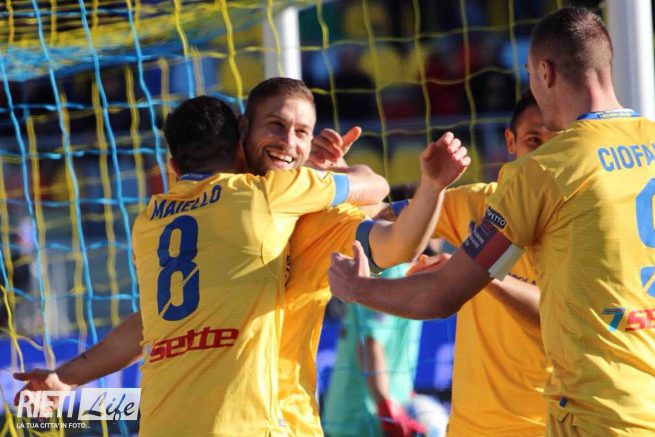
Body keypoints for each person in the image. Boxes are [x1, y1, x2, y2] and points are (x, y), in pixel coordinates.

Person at [14, 78, 470, 436]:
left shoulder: (151, 220)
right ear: (242, 133)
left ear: (172, 167)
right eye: (275, 126)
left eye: (301, 132)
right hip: (258, 424)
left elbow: (151, 324)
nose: (288, 142)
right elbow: (379, 197)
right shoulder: (269, 194)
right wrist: (363, 179)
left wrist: (67, 377)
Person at [328, 7, 655, 435]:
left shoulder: (544, 171)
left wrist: (357, 288)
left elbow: (441, 295)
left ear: (544, 72)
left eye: (530, 77)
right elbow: (392, 214)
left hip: (597, 415)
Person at [408, 91, 556, 436]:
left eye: (556, 142)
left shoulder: (581, 220)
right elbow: (387, 218)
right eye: (534, 140)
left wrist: (471, 270)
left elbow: (558, 318)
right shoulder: (475, 202)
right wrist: (339, 182)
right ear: (511, 142)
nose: (544, 155)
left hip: (547, 425)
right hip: (470, 428)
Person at [322, 263, 427, 437]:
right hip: (361, 421)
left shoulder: (408, 268)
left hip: (367, 417)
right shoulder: (392, 269)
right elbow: (370, 344)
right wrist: (385, 406)